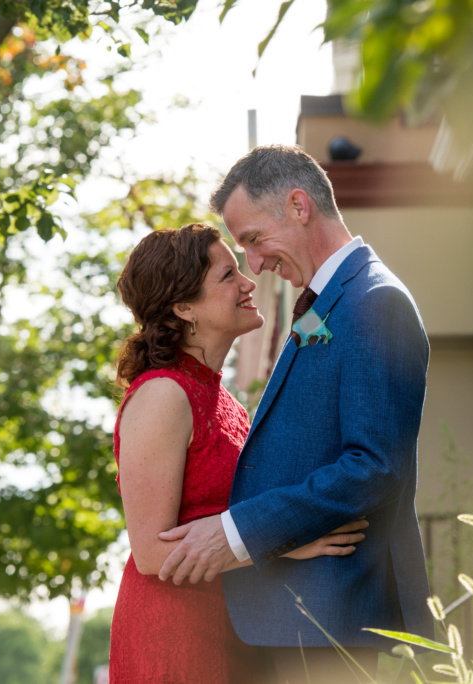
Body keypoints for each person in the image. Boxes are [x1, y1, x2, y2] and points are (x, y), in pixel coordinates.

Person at [156, 146, 434, 683]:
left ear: (299, 206)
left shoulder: (375, 302)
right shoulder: (329, 303)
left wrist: (240, 534)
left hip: (332, 615)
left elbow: (374, 464)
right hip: (291, 617)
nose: (255, 266)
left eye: (255, 241)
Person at [108, 224, 369, 684]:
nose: (249, 281)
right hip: (177, 637)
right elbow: (151, 551)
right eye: (228, 276)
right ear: (184, 307)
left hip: (237, 627)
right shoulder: (163, 395)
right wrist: (284, 543)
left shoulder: (221, 398)